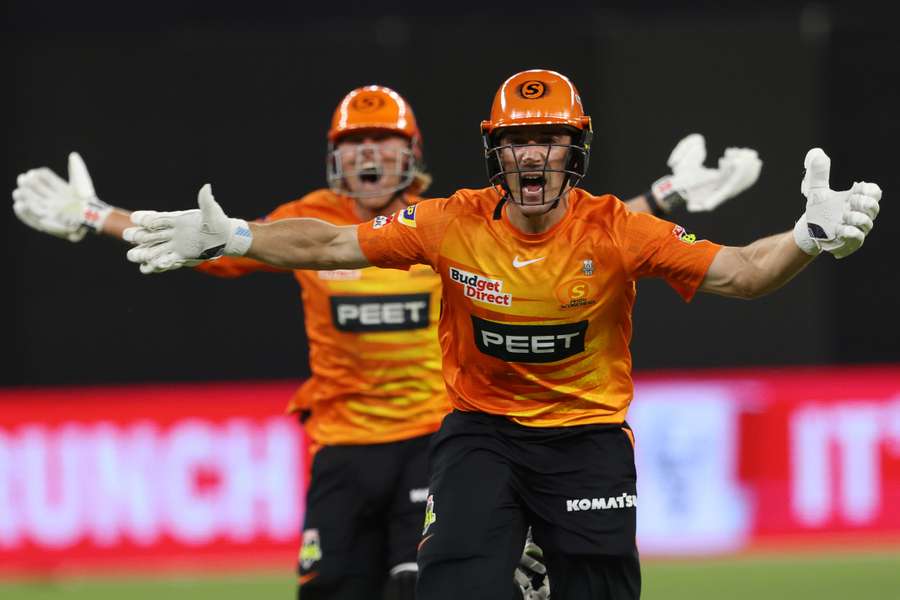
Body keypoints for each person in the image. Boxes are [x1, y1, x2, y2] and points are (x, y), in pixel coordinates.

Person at [12, 78, 765, 600]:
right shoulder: (307, 218)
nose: (370, 156)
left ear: (414, 155)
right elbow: (215, 243)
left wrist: (664, 201)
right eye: (355, 143)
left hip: (436, 435)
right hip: (339, 447)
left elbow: (566, 242)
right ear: (333, 157)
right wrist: (95, 216)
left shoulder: (446, 218)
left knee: (425, 583)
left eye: (384, 142)